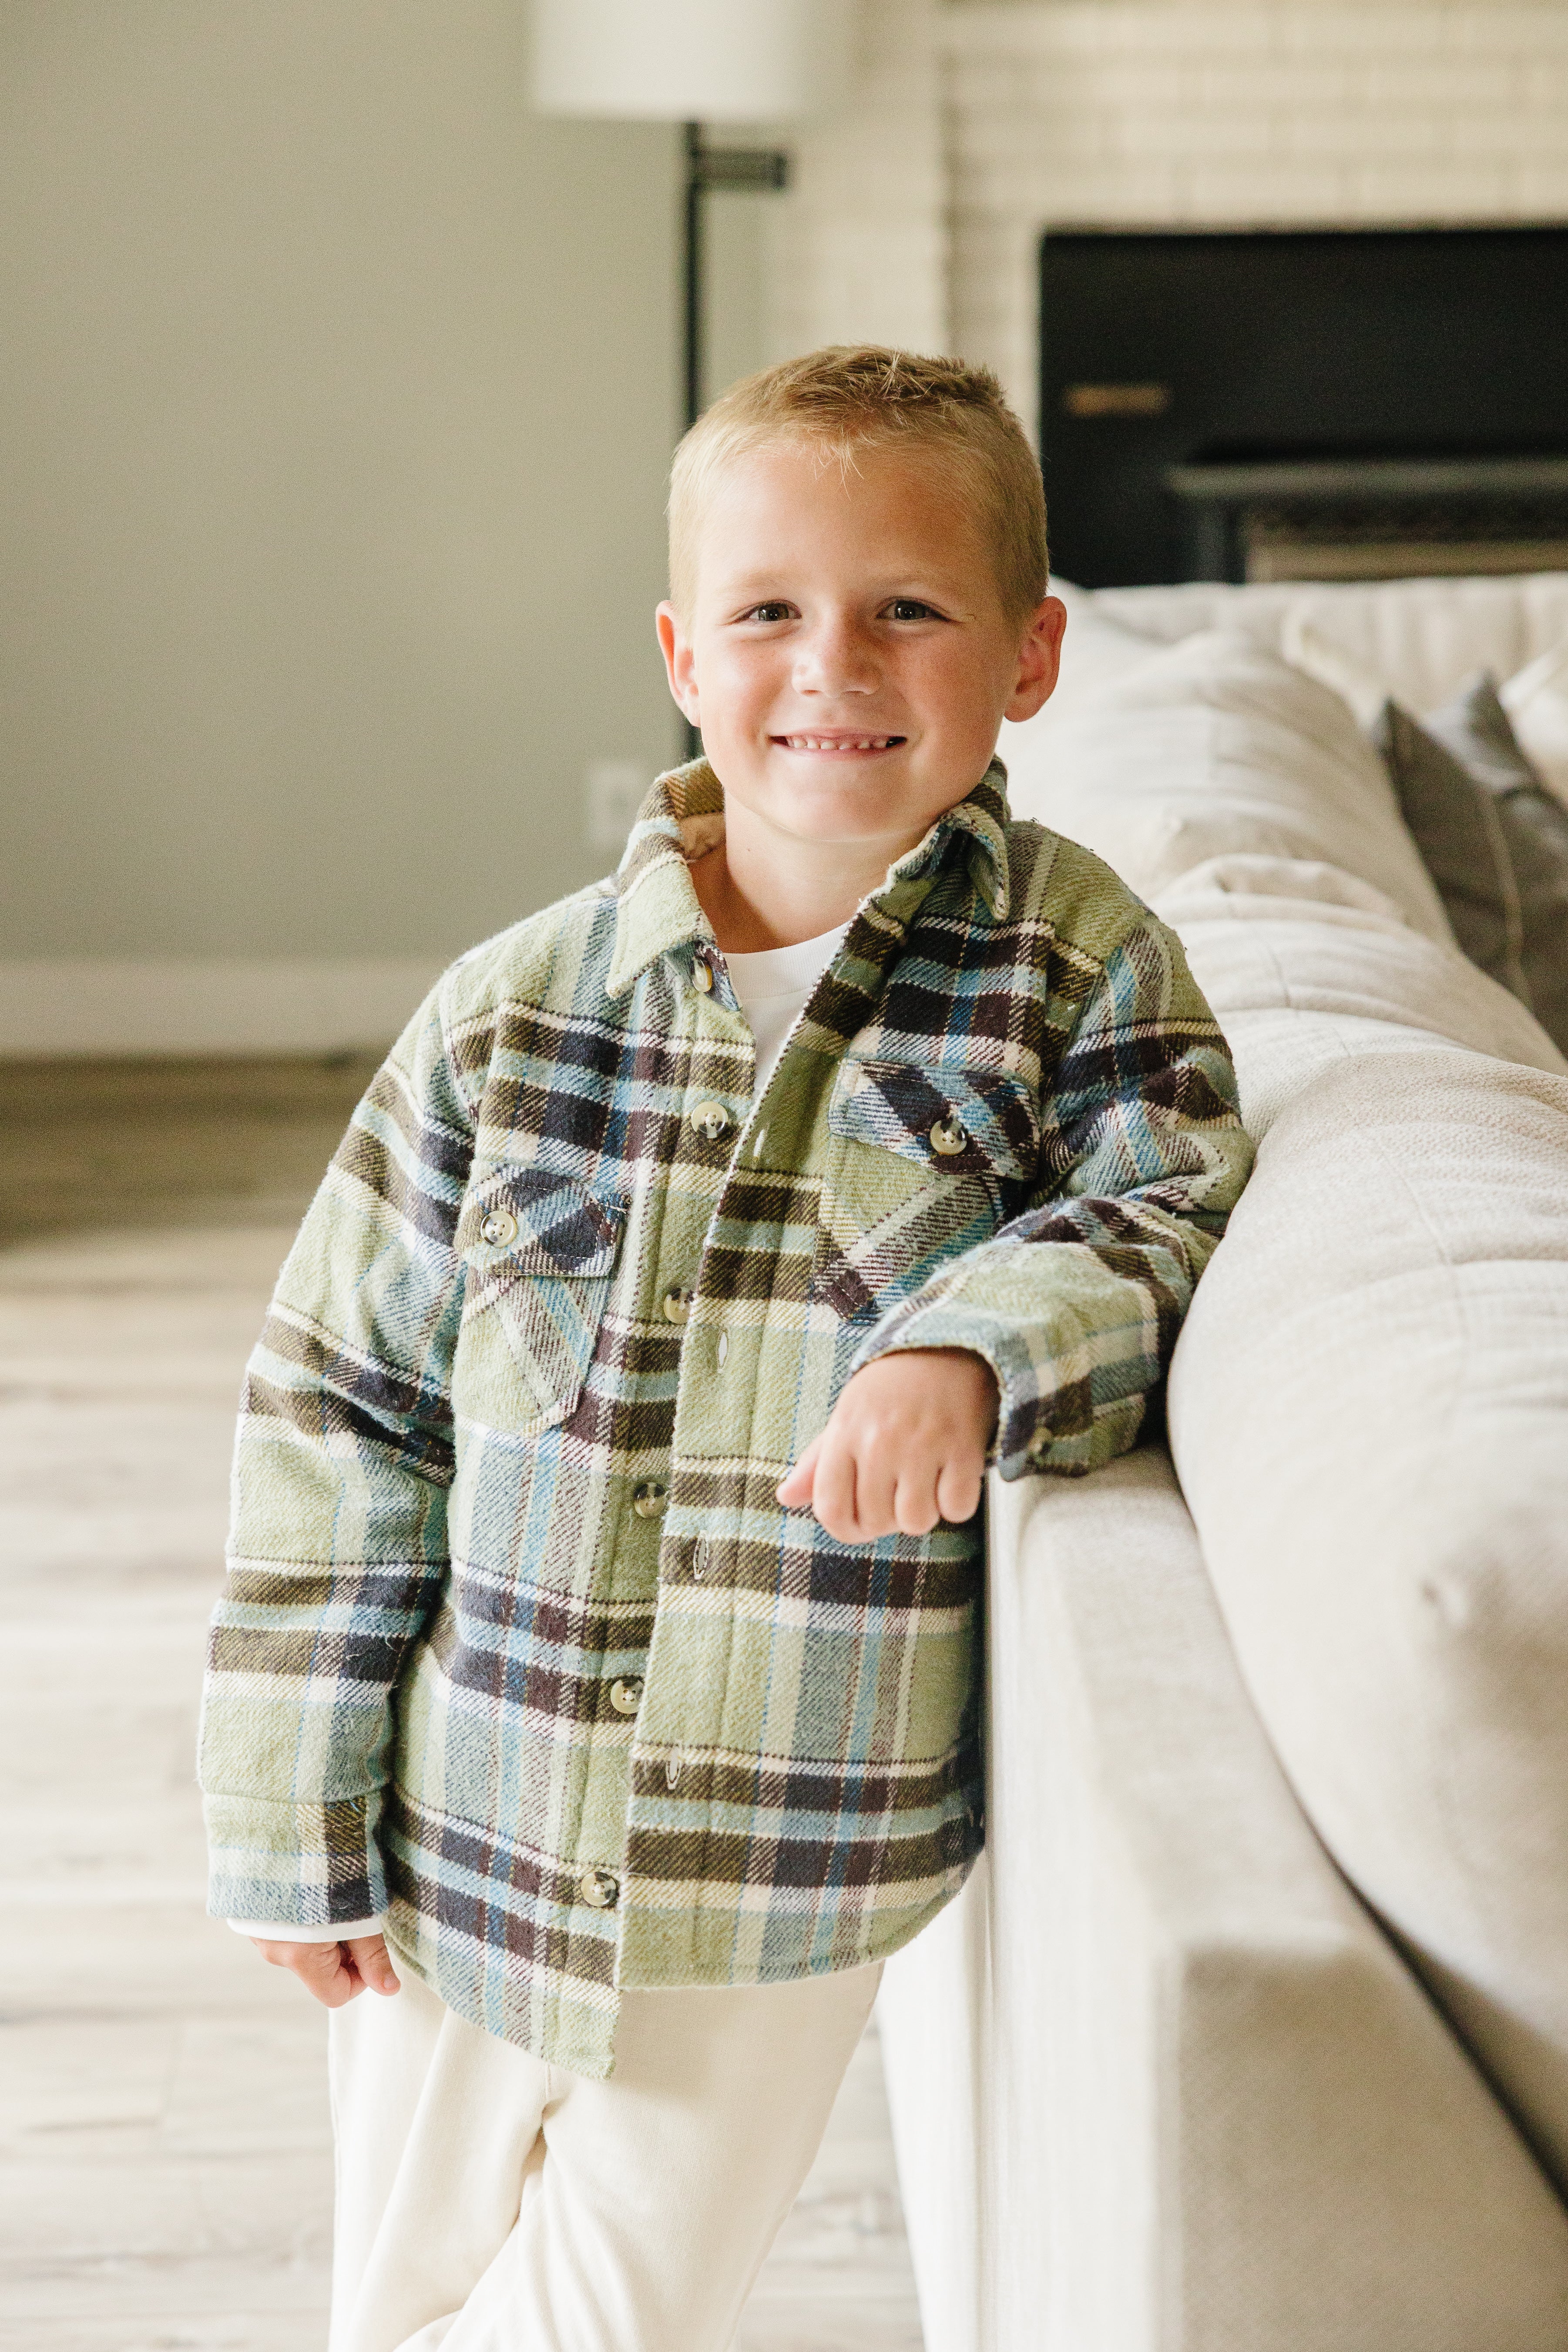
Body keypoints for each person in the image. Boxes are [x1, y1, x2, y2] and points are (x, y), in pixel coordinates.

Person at [198, 345, 1253, 2351]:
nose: (831, 664)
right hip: (468, 1826)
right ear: (685, 654)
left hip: (783, 1844)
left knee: (616, 2313)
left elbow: (1167, 1197)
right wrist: (288, 1807)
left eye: (906, 610)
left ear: (1029, 657)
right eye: (770, 611)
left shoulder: (1075, 965)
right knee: (400, 2294)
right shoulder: (507, 1016)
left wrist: (973, 1345)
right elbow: (337, 1405)